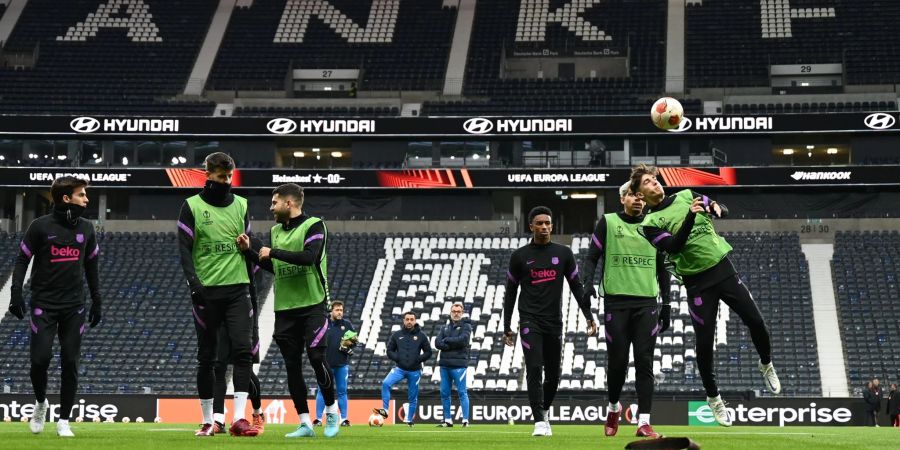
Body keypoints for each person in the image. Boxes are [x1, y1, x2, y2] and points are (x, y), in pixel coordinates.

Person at [630, 164, 781, 428]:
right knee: (704, 346)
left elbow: (719, 207)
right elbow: (674, 247)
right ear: (640, 194)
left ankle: (766, 364)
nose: (654, 183)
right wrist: (690, 217)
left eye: (654, 179)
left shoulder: (688, 195)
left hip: (723, 270)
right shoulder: (649, 224)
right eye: (646, 182)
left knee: (756, 322)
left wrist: (717, 209)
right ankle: (714, 398)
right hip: (697, 283)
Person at [238, 183, 341, 438]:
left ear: (289, 203)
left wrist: (273, 252)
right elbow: (277, 268)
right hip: (284, 308)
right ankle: (305, 422)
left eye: (274, 202)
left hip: (313, 304)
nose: (270, 207)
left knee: (317, 359)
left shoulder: (315, 225)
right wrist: (249, 253)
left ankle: (331, 410)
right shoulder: (275, 231)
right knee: (291, 366)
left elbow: (309, 257)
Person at [9, 176, 102, 437]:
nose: (86, 199)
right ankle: (40, 403)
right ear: (66, 198)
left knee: (70, 361)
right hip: (44, 305)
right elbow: (21, 260)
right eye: (82, 194)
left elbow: (92, 266)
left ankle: (64, 420)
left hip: (75, 306)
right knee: (40, 360)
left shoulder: (87, 228)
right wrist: (16, 292)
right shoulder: (39, 226)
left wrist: (97, 300)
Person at [582, 182, 671, 438]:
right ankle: (613, 408)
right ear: (622, 199)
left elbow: (662, 268)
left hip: (646, 303)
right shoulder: (608, 222)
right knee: (618, 364)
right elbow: (591, 257)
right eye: (633, 195)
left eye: (641, 196)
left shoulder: (654, 224)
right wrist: (588, 284)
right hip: (616, 303)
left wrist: (666, 304)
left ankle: (644, 422)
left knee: (645, 362)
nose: (638, 200)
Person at [177, 152, 257, 437]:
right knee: (207, 358)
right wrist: (193, 284)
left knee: (243, 351)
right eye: (222, 177)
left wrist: (247, 245)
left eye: (229, 176)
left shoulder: (242, 205)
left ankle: (239, 419)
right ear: (207, 174)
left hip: (237, 288)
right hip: (206, 292)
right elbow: (184, 249)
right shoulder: (191, 207)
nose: (226, 181)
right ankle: (209, 420)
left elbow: (247, 245)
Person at [503, 206, 597, 437]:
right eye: (539, 223)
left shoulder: (563, 253)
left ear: (552, 226)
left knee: (554, 374)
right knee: (534, 368)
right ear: (531, 226)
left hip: (554, 323)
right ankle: (539, 422)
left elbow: (576, 287)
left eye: (547, 223)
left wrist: (588, 316)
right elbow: (510, 293)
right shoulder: (519, 257)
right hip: (529, 321)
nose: (544, 227)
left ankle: (544, 412)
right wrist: (506, 326)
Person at [213, 236, 265, 435]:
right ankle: (218, 419)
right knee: (218, 365)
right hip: (220, 310)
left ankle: (257, 412)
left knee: (245, 367)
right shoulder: (220, 240)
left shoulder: (255, 242)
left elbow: (259, 282)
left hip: (244, 310)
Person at [373, 311, 433, 426]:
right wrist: (398, 358)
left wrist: (418, 359)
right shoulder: (396, 335)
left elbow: (428, 352)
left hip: (415, 370)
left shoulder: (421, 336)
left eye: (411, 319)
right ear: (403, 321)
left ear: (415, 321)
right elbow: (389, 350)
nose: (409, 321)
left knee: (413, 395)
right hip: (399, 369)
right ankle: (385, 410)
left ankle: (409, 419)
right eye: (407, 319)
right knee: (385, 384)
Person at [313, 300, 357, 427]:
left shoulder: (347, 324)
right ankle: (318, 419)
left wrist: (350, 345)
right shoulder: (323, 323)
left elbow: (354, 342)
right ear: (331, 311)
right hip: (325, 364)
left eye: (341, 310)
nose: (339, 312)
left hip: (342, 364)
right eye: (337, 310)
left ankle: (344, 419)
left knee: (342, 391)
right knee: (322, 390)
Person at [435, 302, 472, 427]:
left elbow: (463, 340)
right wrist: (451, 343)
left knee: (462, 392)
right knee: (444, 393)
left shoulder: (466, 326)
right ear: (451, 312)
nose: (456, 313)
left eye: (458, 311)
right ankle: (447, 420)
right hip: (445, 364)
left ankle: (465, 420)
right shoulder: (444, 327)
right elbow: (437, 343)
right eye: (454, 311)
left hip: (459, 365)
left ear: (462, 313)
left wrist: (447, 340)